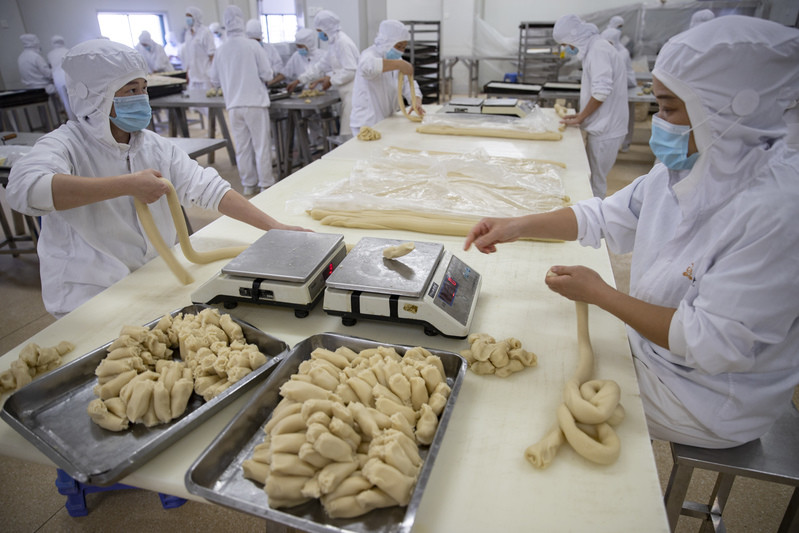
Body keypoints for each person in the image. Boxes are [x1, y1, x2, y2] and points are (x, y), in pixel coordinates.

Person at [464, 16, 799, 449]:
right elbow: (604, 216)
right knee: (545, 354)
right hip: (657, 348)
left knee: (530, 389)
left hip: (709, 395)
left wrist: (601, 293)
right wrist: (518, 225)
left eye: (670, 109)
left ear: (729, 109)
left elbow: (711, 343)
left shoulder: (776, 211)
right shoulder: (684, 169)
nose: (660, 122)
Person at [6, 39, 304, 319]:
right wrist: (127, 185)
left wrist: (276, 229)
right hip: (89, 295)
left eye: (143, 89)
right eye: (129, 90)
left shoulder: (150, 144)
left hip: (152, 277)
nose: (141, 99)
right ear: (96, 95)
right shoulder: (65, 145)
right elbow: (25, 191)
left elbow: (209, 188)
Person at [553, 15, 628, 199]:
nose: (566, 49)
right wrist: (582, 115)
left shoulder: (598, 50)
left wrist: (581, 117)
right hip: (603, 126)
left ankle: (596, 224)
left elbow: (602, 91)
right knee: (593, 179)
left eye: (565, 44)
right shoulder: (595, 48)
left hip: (606, 129)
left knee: (595, 184)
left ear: (573, 37)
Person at [209, 6, 276, 196]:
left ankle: (248, 185)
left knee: (243, 147)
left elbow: (213, 79)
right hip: (255, 103)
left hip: (233, 105)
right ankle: (266, 183)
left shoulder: (221, 50)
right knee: (261, 145)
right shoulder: (252, 45)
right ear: (242, 21)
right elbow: (267, 74)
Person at [287, 10, 359, 136]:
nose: (319, 34)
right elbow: (320, 66)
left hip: (353, 95)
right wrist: (300, 80)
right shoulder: (334, 44)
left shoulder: (342, 42)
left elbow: (350, 70)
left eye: (319, 31)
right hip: (346, 94)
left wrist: (330, 80)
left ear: (327, 28)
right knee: (347, 134)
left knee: (348, 135)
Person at [350, 20, 424, 135]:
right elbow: (367, 67)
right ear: (387, 42)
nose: (401, 51)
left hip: (386, 121)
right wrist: (400, 65)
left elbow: (409, 85)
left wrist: (416, 101)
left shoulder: (397, 60)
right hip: (367, 124)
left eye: (404, 47)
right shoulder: (369, 55)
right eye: (398, 46)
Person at [601, 27, 636, 152]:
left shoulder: (622, 53)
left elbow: (611, 72)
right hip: (615, 86)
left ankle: (625, 143)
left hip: (627, 84)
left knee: (625, 115)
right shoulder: (610, 52)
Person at [181, 6, 215, 90]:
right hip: (193, 77)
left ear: (196, 17)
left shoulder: (205, 32)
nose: (187, 19)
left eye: (189, 16)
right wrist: (187, 72)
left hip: (205, 78)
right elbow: (189, 56)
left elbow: (212, 55)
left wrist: (214, 75)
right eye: (186, 16)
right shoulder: (187, 34)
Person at [245, 18, 284, 86]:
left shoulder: (269, 49)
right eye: (252, 41)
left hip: (269, 83)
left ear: (260, 37)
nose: (255, 44)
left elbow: (279, 65)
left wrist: (271, 72)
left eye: (257, 40)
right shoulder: (244, 51)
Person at [47, 35, 75, 121]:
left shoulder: (50, 54)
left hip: (58, 80)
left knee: (66, 103)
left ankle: (73, 122)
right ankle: (79, 122)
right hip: (69, 77)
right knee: (75, 101)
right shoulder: (68, 51)